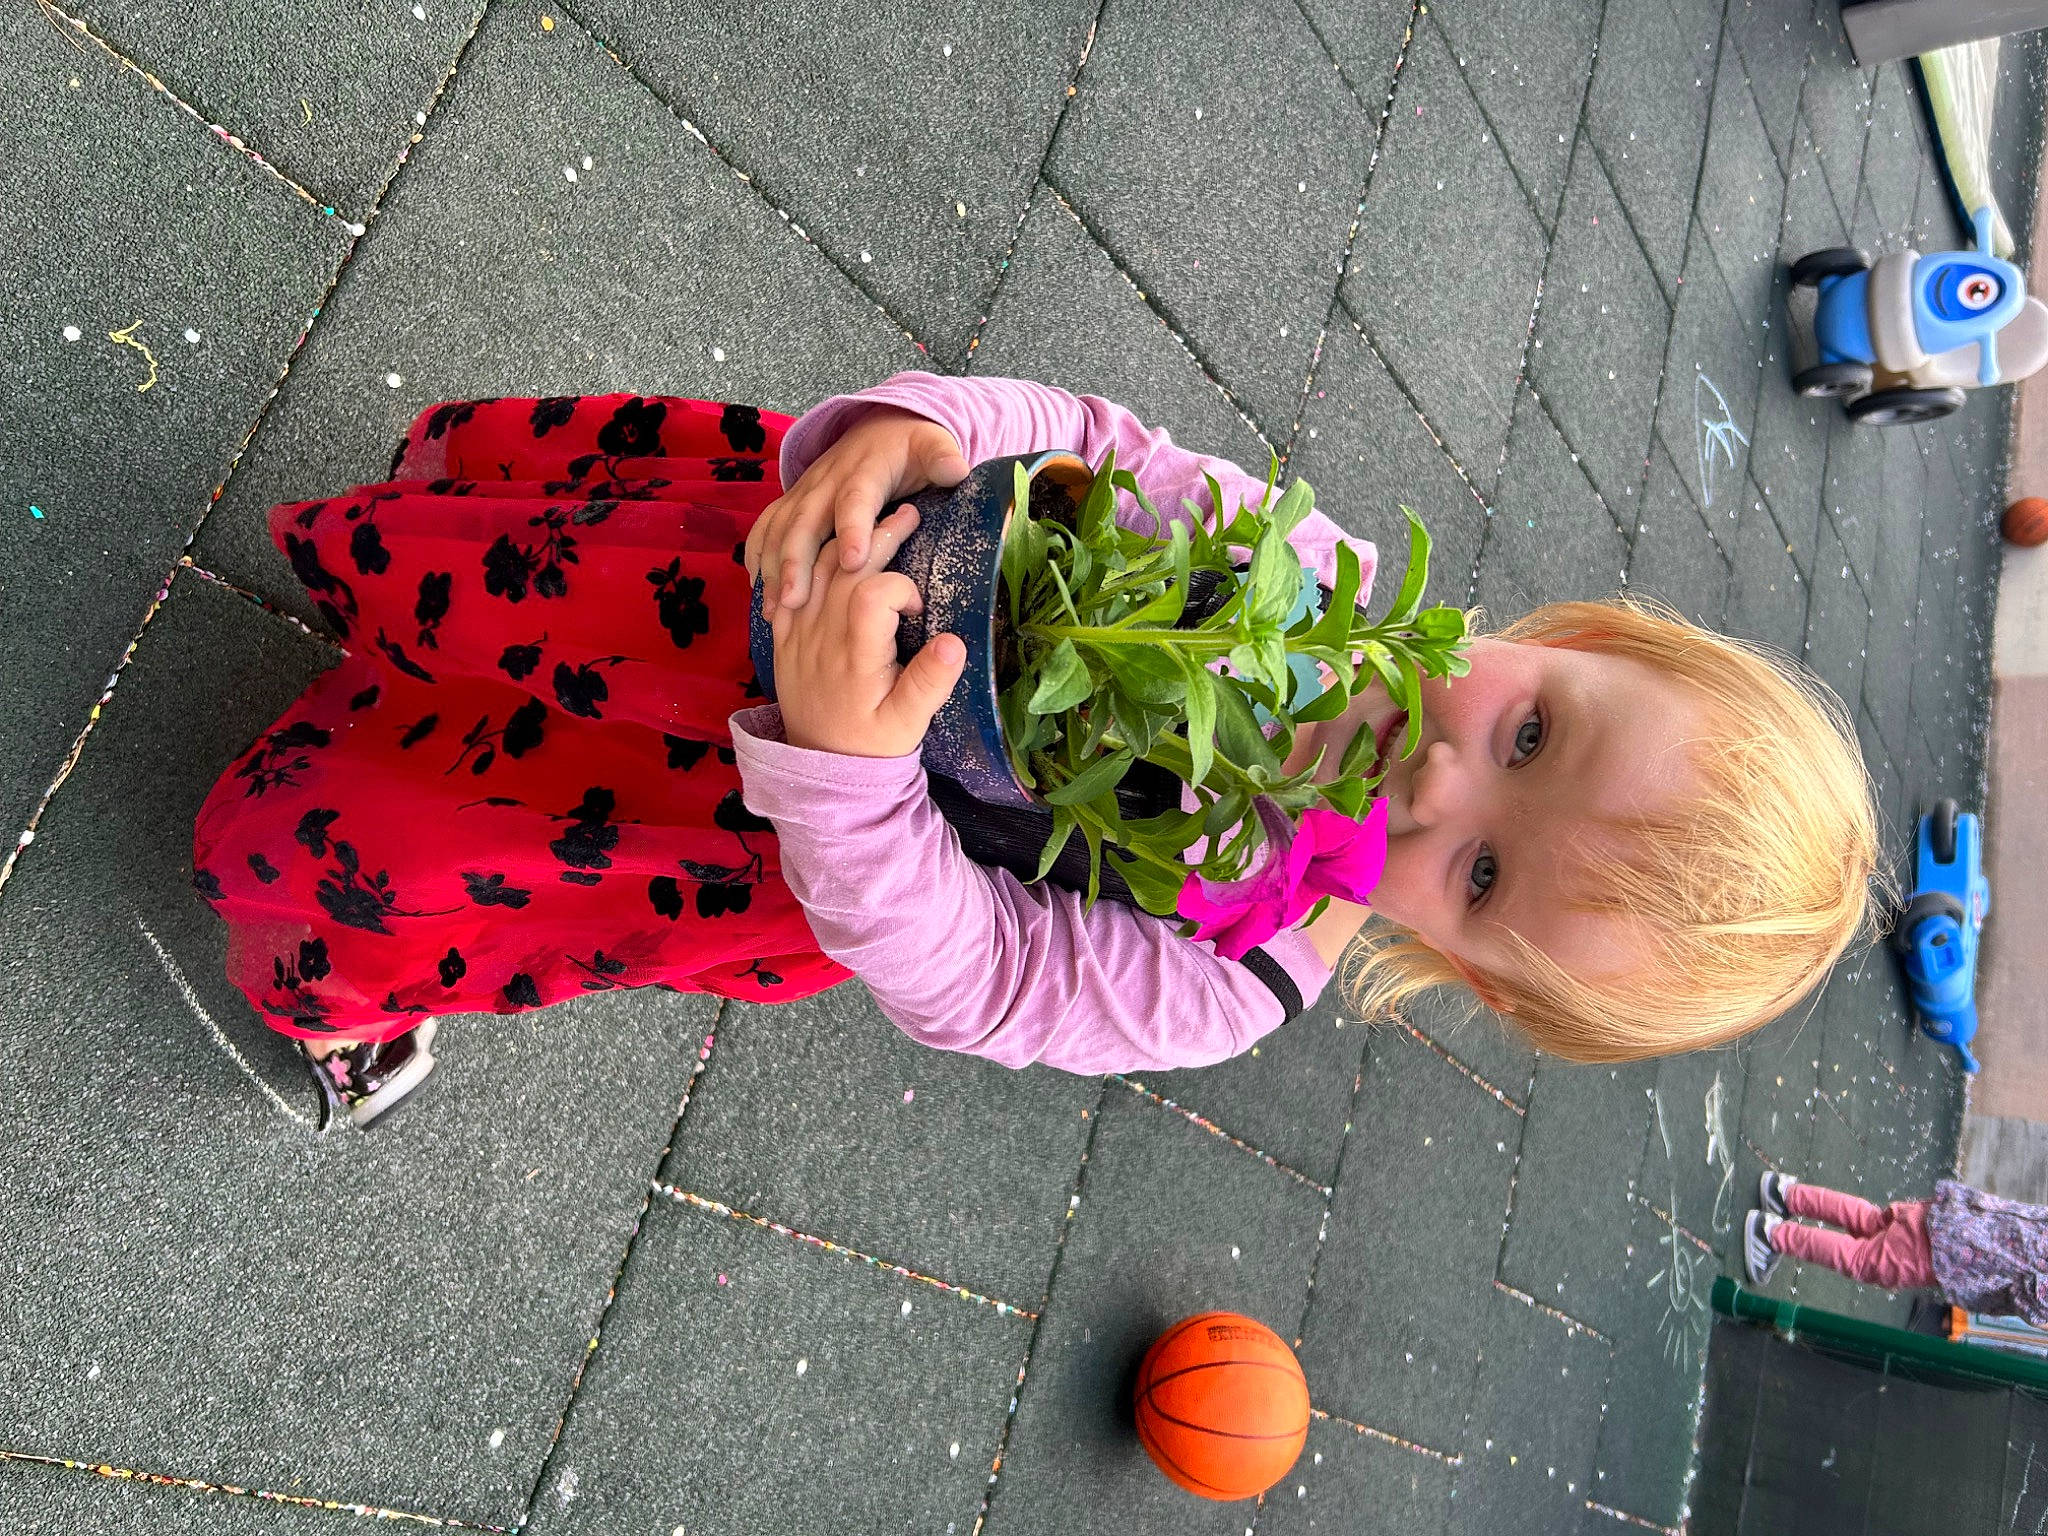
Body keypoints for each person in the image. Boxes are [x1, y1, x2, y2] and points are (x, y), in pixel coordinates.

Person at [191, 374, 1879, 1127]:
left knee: (427, 829)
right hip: (763, 567)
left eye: (1484, 871)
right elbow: (1085, 447)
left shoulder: (1230, 980)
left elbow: (981, 977)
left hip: (728, 815)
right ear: (1569, 642)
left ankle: (341, 974)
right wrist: (917, 434)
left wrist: (851, 779)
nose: (1439, 782)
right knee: (527, 570)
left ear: (1475, 976)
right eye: (1526, 730)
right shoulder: (1315, 576)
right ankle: (382, 566)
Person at [1745, 1171, 2048, 1326]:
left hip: (1958, 1215)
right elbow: (2028, 1293)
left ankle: (1785, 1193)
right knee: (1861, 1261)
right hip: (1947, 1256)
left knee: (1872, 1221)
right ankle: (1770, 1234)